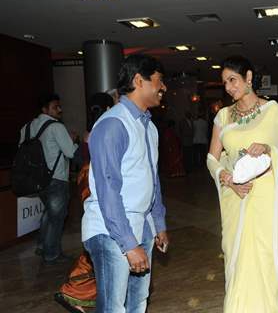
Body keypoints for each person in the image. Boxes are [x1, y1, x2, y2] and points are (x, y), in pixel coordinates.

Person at [207, 55, 278, 312]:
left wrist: (269, 149)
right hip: (236, 197)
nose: (228, 87)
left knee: (264, 256)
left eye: (232, 80)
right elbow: (212, 158)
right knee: (236, 259)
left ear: (248, 78)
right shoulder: (223, 117)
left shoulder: (274, 111)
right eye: (224, 83)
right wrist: (228, 179)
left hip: (266, 198)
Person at [81, 54, 169, 313]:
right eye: (159, 81)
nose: (163, 88)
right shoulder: (112, 124)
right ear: (139, 80)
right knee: (113, 308)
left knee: (138, 301)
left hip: (141, 224)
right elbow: (108, 191)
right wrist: (129, 244)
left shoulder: (149, 127)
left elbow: (152, 179)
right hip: (111, 229)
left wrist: (158, 224)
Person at [54, 92, 116, 313]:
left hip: (85, 181)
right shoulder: (107, 129)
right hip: (96, 183)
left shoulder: (89, 131)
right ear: (108, 108)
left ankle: (76, 291)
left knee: (100, 241)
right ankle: (74, 290)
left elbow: (79, 157)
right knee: (104, 241)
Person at [19, 93, 78, 265]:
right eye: (55, 107)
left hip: (36, 179)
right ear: (44, 109)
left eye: (59, 106)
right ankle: (51, 253)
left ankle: (42, 245)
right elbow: (71, 152)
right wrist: (73, 140)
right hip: (56, 179)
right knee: (57, 217)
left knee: (49, 213)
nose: (59, 110)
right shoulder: (56, 127)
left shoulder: (27, 127)